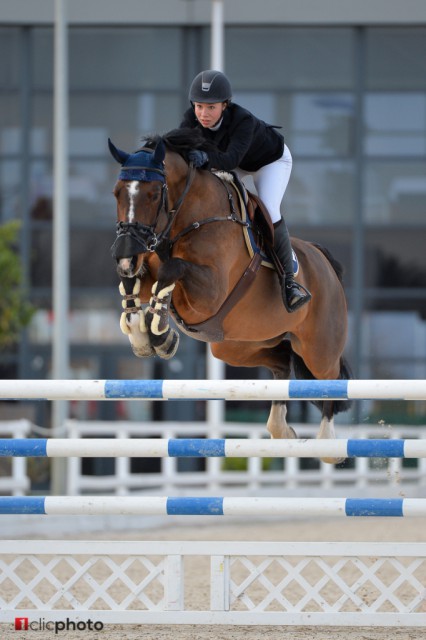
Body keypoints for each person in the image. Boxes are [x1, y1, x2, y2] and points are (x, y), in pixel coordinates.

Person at [180, 69, 311, 313]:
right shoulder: (191, 119)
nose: (203, 114)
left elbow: (230, 159)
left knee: (269, 210)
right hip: (235, 162)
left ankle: (289, 282)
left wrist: (204, 157)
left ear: (225, 105)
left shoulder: (242, 120)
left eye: (211, 108)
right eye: (199, 106)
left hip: (270, 162)